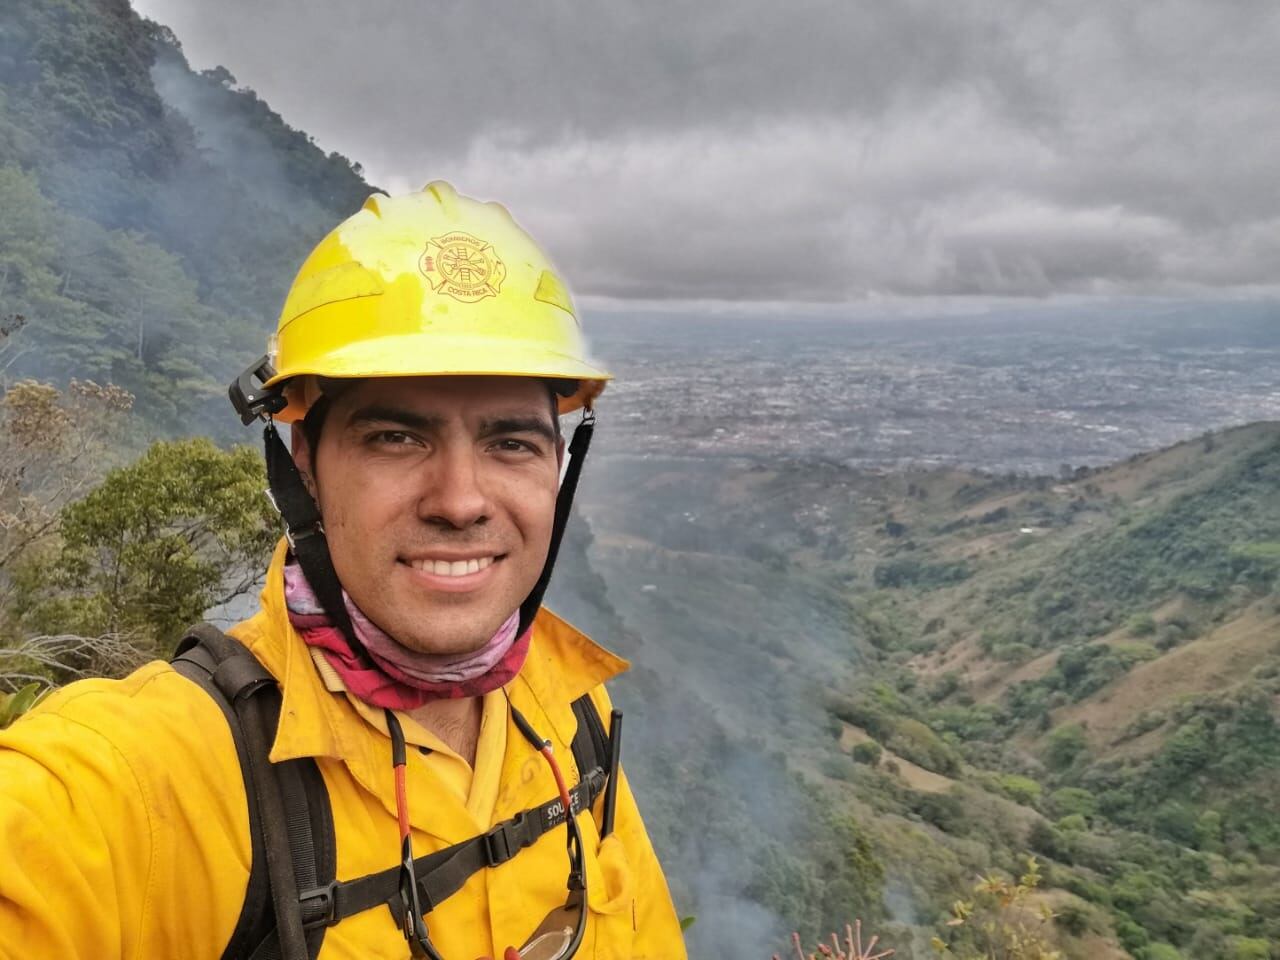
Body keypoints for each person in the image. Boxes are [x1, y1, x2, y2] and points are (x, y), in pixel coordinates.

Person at [0, 182, 686, 959]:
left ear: (558, 467)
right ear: (307, 470)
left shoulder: (572, 715)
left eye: (511, 443)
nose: (461, 501)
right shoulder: (144, 782)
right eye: (395, 437)